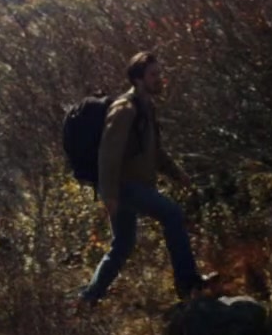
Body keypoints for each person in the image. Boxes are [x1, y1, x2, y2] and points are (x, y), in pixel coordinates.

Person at [78, 52, 205, 306]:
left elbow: (155, 151)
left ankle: (88, 298)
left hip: (131, 186)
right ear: (138, 79)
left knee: (123, 245)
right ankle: (188, 283)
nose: (160, 79)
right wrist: (110, 195)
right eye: (153, 75)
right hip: (124, 187)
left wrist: (177, 174)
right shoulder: (124, 109)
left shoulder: (146, 107)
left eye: (160, 73)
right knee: (172, 214)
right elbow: (108, 153)